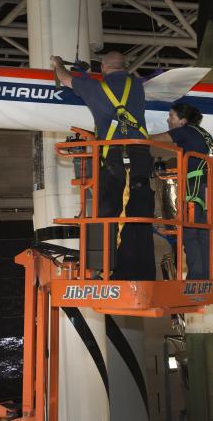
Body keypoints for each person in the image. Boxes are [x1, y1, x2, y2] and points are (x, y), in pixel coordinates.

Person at [51, 51, 156, 281]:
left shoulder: (96, 89)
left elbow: (65, 78)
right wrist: (87, 74)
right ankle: (143, 272)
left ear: (103, 68)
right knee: (140, 214)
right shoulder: (136, 86)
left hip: (115, 160)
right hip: (140, 157)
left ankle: (111, 270)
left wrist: (58, 64)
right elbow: (115, 83)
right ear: (125, 67)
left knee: (109, 213)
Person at [150, 102, 213, 280]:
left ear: (183, 120)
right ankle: (209, 274)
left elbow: (155, 139)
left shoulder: (184, 132)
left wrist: (133, 134)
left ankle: (196, 275)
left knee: (190, 233)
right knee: (204, 232)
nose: (168, 119)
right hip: (208, 187)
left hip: (195, 187)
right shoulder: (204, 134)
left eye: (171, 116)